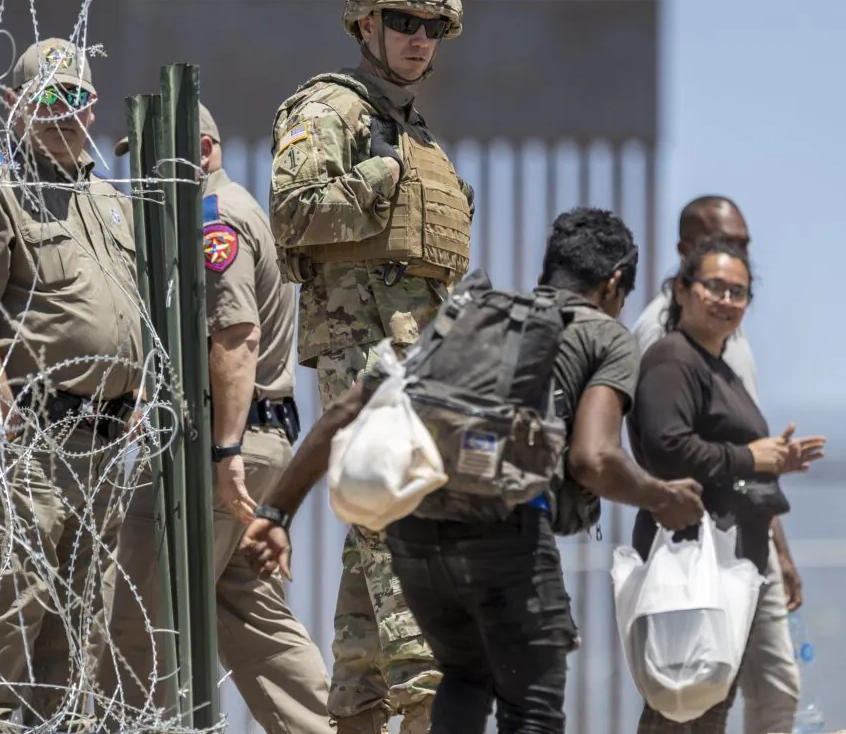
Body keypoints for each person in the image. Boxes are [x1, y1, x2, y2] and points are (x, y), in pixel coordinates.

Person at [241, 208, 708, 734]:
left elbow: (348, 409)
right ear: (615, 283)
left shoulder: (471, 315)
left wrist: (276, 512)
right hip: (506, 540)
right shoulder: (605, 335)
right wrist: (662, 496)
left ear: (543, 276)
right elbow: (592, 459)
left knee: (464, 678)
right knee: (530, 708)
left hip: (416, 538)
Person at [263, 0, 473, 734]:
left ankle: (357, 713)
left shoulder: (412, 132)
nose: (421, 40)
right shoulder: (332, 109)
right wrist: (378, 181)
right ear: (365, 25)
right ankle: (425, 710)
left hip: (418, 361)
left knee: (375, 555)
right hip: (366, 356)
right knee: (407, 544)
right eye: (404, 23)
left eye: (432, 28)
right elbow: (293, 214)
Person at [97, 104, 333, 733]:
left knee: (136, 618)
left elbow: (235, 337)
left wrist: (226, 453)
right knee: (256, 624)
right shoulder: (227, 212)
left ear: (201, 151)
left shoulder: (214, 219)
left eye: (154, 160)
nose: (142, 178)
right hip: (254, 438)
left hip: (220, 450)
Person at [0, 37, 142, 731]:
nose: (61, 115)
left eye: (74, 100)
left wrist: (132, 388)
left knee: (78, 620)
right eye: (45, 100)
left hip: (100, 443)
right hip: (25, 438)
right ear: (14, 105)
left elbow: (125, 309)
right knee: (8, 604)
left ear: (93, 105)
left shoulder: (109, 199)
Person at [627, 237, 826, 734]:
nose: (727, 301)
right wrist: (747, 456)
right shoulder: (673, 358)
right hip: (692, 560)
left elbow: (726, 453)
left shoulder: (719, 366)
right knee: (680, 703)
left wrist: (774, 459)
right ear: (681, 290)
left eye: (739, 293)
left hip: (729, 559)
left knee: (710, 702)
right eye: (715, 287)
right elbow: (665, 448)